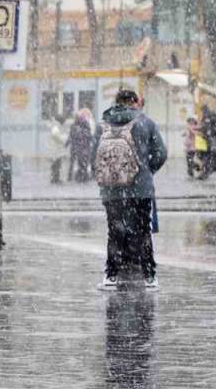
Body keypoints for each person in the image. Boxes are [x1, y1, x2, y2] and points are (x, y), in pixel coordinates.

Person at [94, 89, 167, 291]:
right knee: (143, 231)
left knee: (115, 231)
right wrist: (145, 170)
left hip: (112, 189)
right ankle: (150, 277)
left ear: (116, 102)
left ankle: (111, 276)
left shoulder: (102, 125)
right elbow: (161, 153)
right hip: (141, 189)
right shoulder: (146, 123)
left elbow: (94, 157)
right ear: (135, 102)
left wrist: (108, 176)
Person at [69, 107, 95, 182]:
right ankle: (83, 176)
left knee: (80, 162)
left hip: (79, 147)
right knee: (83, 162)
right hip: (84, 147)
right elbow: (89, 135)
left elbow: (72, 136)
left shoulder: (76, 125)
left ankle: (79, 176)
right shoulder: (85, 125)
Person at [48, 115, 69, 184]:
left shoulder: (55, 125)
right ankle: (55, 179)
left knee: (56, 164)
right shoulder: (56, 127)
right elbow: (55, 135)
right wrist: (62, 140)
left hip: (55, 149)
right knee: (56, 164)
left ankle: (55, 178)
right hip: (55, 150)